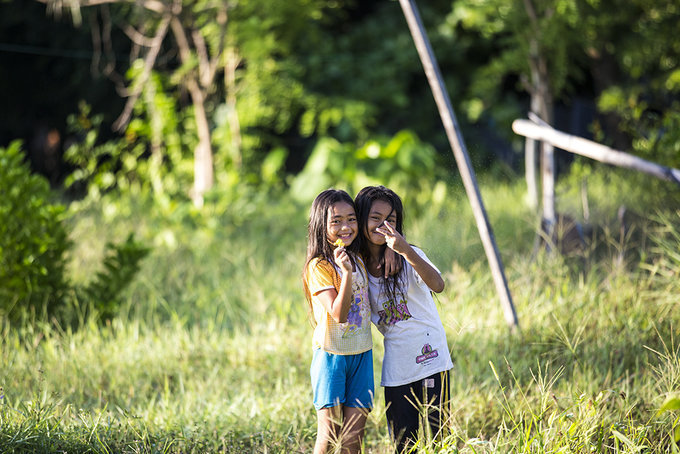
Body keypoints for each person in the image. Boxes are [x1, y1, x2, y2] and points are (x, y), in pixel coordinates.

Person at [355, 185, 453, 452]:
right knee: (403, 442)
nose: (383, 226)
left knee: (440, 435)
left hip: (431, 357)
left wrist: (405, 250)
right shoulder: (357, 267)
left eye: (391, 220)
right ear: (361, 217)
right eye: (375, 218)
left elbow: (438, 284)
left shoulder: (410, 256)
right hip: (397, 365)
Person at [302, 189, 374, 454]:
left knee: (354, 437)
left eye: (351, 219)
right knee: (330, 435)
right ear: (322, 225)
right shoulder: (319, 266)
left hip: (362, 353)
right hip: (331, 356)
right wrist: (345, 274)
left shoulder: (358, 257)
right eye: (336, 221)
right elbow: (339, 314)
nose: (346, 227)